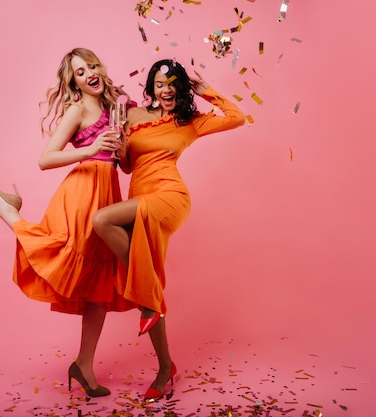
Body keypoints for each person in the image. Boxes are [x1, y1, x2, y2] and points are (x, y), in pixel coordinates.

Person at [0, 48, 136, 397]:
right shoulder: (77, 109)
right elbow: (46, 159)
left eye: (91, 65)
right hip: (81, 194)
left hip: (108, 194)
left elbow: (123, 166)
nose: (88, 73)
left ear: (100, 69)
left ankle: (84, 365)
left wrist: (120, 148)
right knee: (52, 249)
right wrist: (91, 149)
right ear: (73, 82)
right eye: (79, 71)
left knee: (98, 287)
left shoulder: (115, 108)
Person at [92, 59, 246, 401]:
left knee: (101, 220)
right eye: (160, 84)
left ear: (182, 88)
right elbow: (130, 167)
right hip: (140, 196)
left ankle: (148, 301)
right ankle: (165, 365)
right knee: (148, 286)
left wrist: (207, 91)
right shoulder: (131, 116)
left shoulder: (189, 121)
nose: (167, 90)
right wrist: (119, 152)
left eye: (173, 84)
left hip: (169, 198)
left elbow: (237, 118)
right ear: (151, 87)